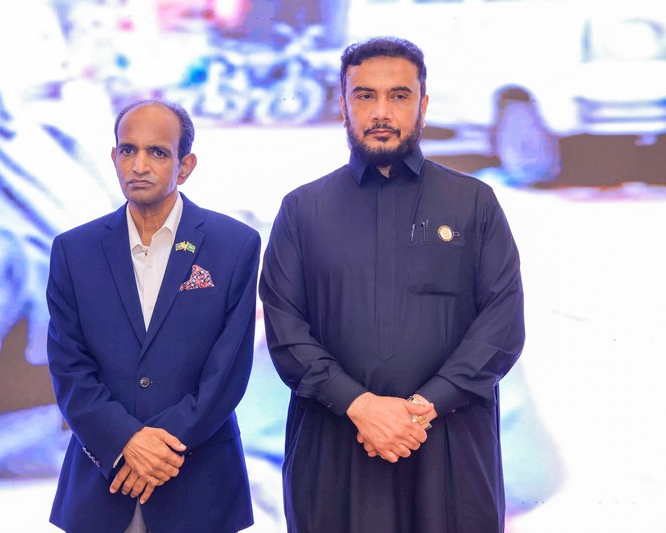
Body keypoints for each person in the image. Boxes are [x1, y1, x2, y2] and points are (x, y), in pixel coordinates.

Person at [259, 37, 525, 533]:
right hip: (333, 450)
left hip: (450, 450)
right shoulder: (301, 210)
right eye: (365, 95)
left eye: (399, 96)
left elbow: (502, 324)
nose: (381, 111)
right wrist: (360, 406)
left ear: (423, 106)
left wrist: (421, 410)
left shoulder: (474, 202)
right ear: (343, 106)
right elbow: (286, 329)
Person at [46, 99, 259, 532]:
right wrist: (125, 441)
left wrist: (156, 451)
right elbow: (69, 368)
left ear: (185, 166)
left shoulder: (234, 244)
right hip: (102, 484)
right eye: (128, 150)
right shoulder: (74, 250)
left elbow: (227, 372)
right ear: (114, 157)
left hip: (200, 485)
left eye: (157, 152)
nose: (139, 165)